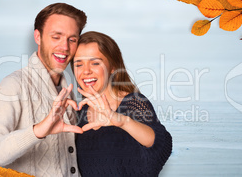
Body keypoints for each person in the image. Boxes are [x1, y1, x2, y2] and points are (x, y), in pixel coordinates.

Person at [0, 3, 87, 177]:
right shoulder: (14, 85)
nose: (65, 47)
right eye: (56, 37)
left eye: (72, 39)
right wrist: (38, 131)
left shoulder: (68, 91)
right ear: (38, 37)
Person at [72, 31, 172, 176]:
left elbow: (160, 144)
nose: (86, 71)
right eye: (79, 64)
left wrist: (121, 121)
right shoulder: (79, 114)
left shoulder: (133, 102)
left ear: (112, 67)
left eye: (95, 63)